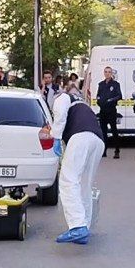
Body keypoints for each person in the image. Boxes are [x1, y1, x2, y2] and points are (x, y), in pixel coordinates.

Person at [50, 99, 105, 245]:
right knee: (84, 185)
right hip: (98, 141)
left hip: (80, 138)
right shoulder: (82, 106)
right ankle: (84, 226)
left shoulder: (62, 98)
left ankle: (77, 226)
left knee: (68, 180)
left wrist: (56, 136)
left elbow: (60, 113)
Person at [95, 66, 123, 159]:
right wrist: (99, 102)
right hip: (103, 110)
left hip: (111, 110)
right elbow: (98, 96)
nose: (107, 73)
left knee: (114, 130)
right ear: (104, 73)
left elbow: (119, 96)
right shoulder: (101, 84)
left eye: (109, 72)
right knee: (103, 131)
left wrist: (110, 100)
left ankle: (117, 150)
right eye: (106, 72)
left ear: (111, 73)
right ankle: (104, 150)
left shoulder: (115, 84)